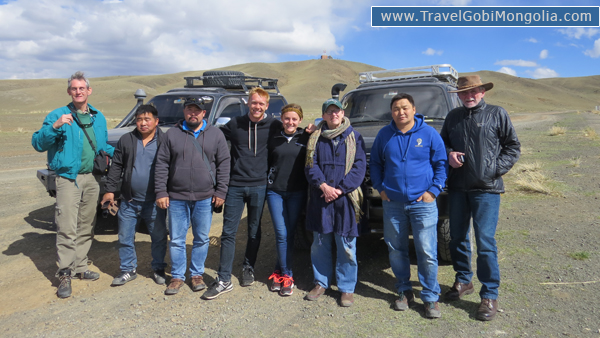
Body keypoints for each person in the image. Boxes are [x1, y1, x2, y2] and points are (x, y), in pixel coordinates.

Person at [441, 75, 520, 321]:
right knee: (457, 238)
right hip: (458, 188)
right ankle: (464, 280)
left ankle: (489, 294)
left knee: (485, 242)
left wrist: (493, 170)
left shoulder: (497, 114)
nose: (469, 96)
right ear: (459, 96)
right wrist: (449, 154)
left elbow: (513, 147)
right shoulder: (453, 117)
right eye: (464, 93)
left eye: (473, 91)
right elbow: (442, 145)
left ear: (483, 91)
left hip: (487, 189)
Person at [32, 71, 114, 298]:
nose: (78, 92)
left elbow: (103, 146)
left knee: (87, 225)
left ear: (89, 90)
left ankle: (81, 267)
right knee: (67, 226)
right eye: (74, 88)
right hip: (68, 178)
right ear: (69, 92)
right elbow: (38, 143)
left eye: (82, 88)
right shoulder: (57, 115)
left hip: (92, 178)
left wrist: (125, 154)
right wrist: (55, 127)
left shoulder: (98, 116)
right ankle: (65, 273)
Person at [370, 93, 447, 318]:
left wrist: (433, 192)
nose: (400, 112)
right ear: (391, 112)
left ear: (414, 109)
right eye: (396, 109)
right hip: (393, 203)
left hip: (422, 203)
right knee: (396, 250)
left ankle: (431, 296)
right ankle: (404, 290)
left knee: (427, 251)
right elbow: (375, 163)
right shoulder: (384, 135)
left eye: (405, 108)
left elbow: (441, 164)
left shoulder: (429, 134)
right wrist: (380, 189)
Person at [202, 87, 282, 300]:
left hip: (259, 186)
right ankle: (224, 278)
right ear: (248, 103)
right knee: (228, 232)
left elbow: (292, 132)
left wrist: (311, 129)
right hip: (235, 186)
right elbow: (213, 135)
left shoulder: (274, 125)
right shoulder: (235, 124)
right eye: (254, 102)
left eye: (261, 104)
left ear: (267, 106)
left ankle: (248, 267)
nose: (257, 107)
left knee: (254, 231)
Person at [154, 98, 230, 295]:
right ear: (184, 111)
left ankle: (196, 274)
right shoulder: (171, 134)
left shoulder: (216, 134)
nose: (193, 114)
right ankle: (178, 276)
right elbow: (161, 164)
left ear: (204, 113)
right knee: (177, 239)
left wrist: (221, 191)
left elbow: (224, 163)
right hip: (177, 196)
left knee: (201, 238)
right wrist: (161, 191)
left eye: (197, 110)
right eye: (189, 110)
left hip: (205, 196)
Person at [304, 98, 366, 307]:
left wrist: (340, 189)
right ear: (323, 115)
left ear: (342, 113)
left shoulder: (354, 137)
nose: (334, 115)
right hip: (321, 197)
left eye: (337, 111)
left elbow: (359, 168)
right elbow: (310, 166)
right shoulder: (315, 138)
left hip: (346, 199)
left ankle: (346, 288)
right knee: (320, 243)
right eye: (329, 112)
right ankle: (321, 282)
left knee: (346, 245)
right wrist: (324, 186)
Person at [100, 104, 168, 287]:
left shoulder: (165, 140)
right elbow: (116, 167)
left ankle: (159, 268)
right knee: (124, 237)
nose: (143, 123)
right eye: (139, 119)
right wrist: (110, 191)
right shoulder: (126, 140)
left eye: (147, 119)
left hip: (155, 201)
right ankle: (128, 269)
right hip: (129, 200)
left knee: (159, 237)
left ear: (156, 121)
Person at [265, 103, 310, 297]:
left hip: (297, 192)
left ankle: (277, 271)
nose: (290, 122)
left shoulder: (306, 138)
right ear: (281, 119)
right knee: (281, 233)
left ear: (299, 120)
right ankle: (287, 275)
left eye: (294, 119)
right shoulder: (273, 138)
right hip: (275, 192)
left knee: (289, 234)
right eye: (287, 118)